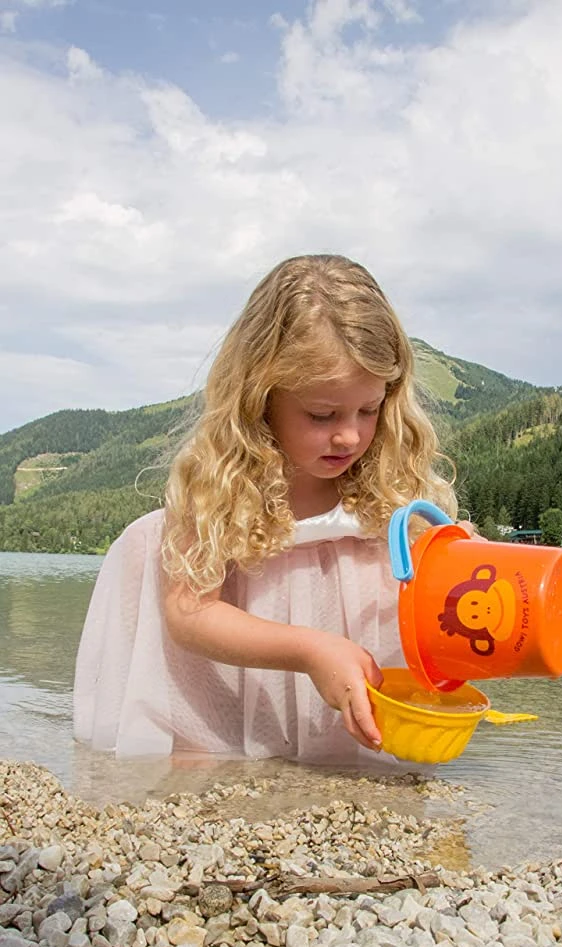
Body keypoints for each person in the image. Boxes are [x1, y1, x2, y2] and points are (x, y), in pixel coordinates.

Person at [73, 254, 458, 762]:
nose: (349, 434)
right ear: (260, 396)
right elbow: (190, 614)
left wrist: (452, 572)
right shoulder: (218, 488)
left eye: (370, 409)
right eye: (322, 414)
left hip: (345, 721)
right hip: (222, 700)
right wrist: (310, 649)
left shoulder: (393, 492)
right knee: (202, 779)